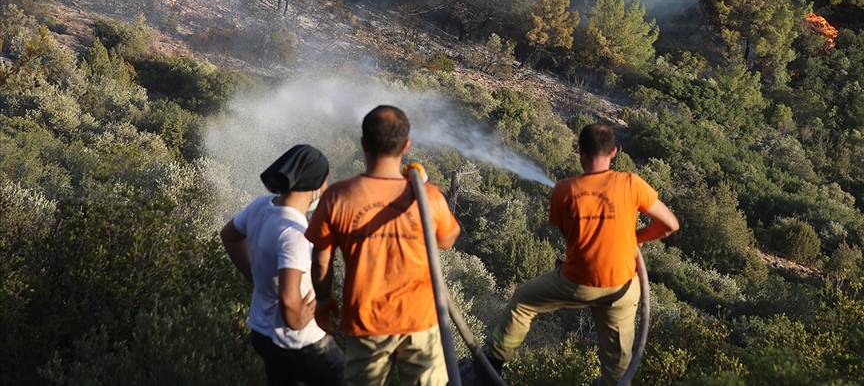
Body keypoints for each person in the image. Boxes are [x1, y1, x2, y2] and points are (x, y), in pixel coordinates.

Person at [484, 123, 679, 386]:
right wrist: (636, 238)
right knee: (618, 368)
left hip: (578, 283)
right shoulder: (631, 183)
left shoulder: (564, 190)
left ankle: (492, 364)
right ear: (614, 153)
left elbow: (568, 234)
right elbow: (670, 225)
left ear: (580, 152)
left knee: (523, 302)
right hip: (622, 286)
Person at [305, 105, 461, 386]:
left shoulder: (336, 196)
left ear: (363, 143)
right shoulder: (427, 196)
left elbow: (320, 260)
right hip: (420, 322)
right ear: (406, 145)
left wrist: (324, 299)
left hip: (367, 323)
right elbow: (448, 240)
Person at [221, 144, 346, 386]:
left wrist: (255, 277)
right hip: (300, 341)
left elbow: (228, 236)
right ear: (316, 186)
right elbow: (289, 300)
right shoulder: (296, 234)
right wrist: (296, 320)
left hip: (262, 331)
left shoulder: (259, 206)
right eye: (326, 182)